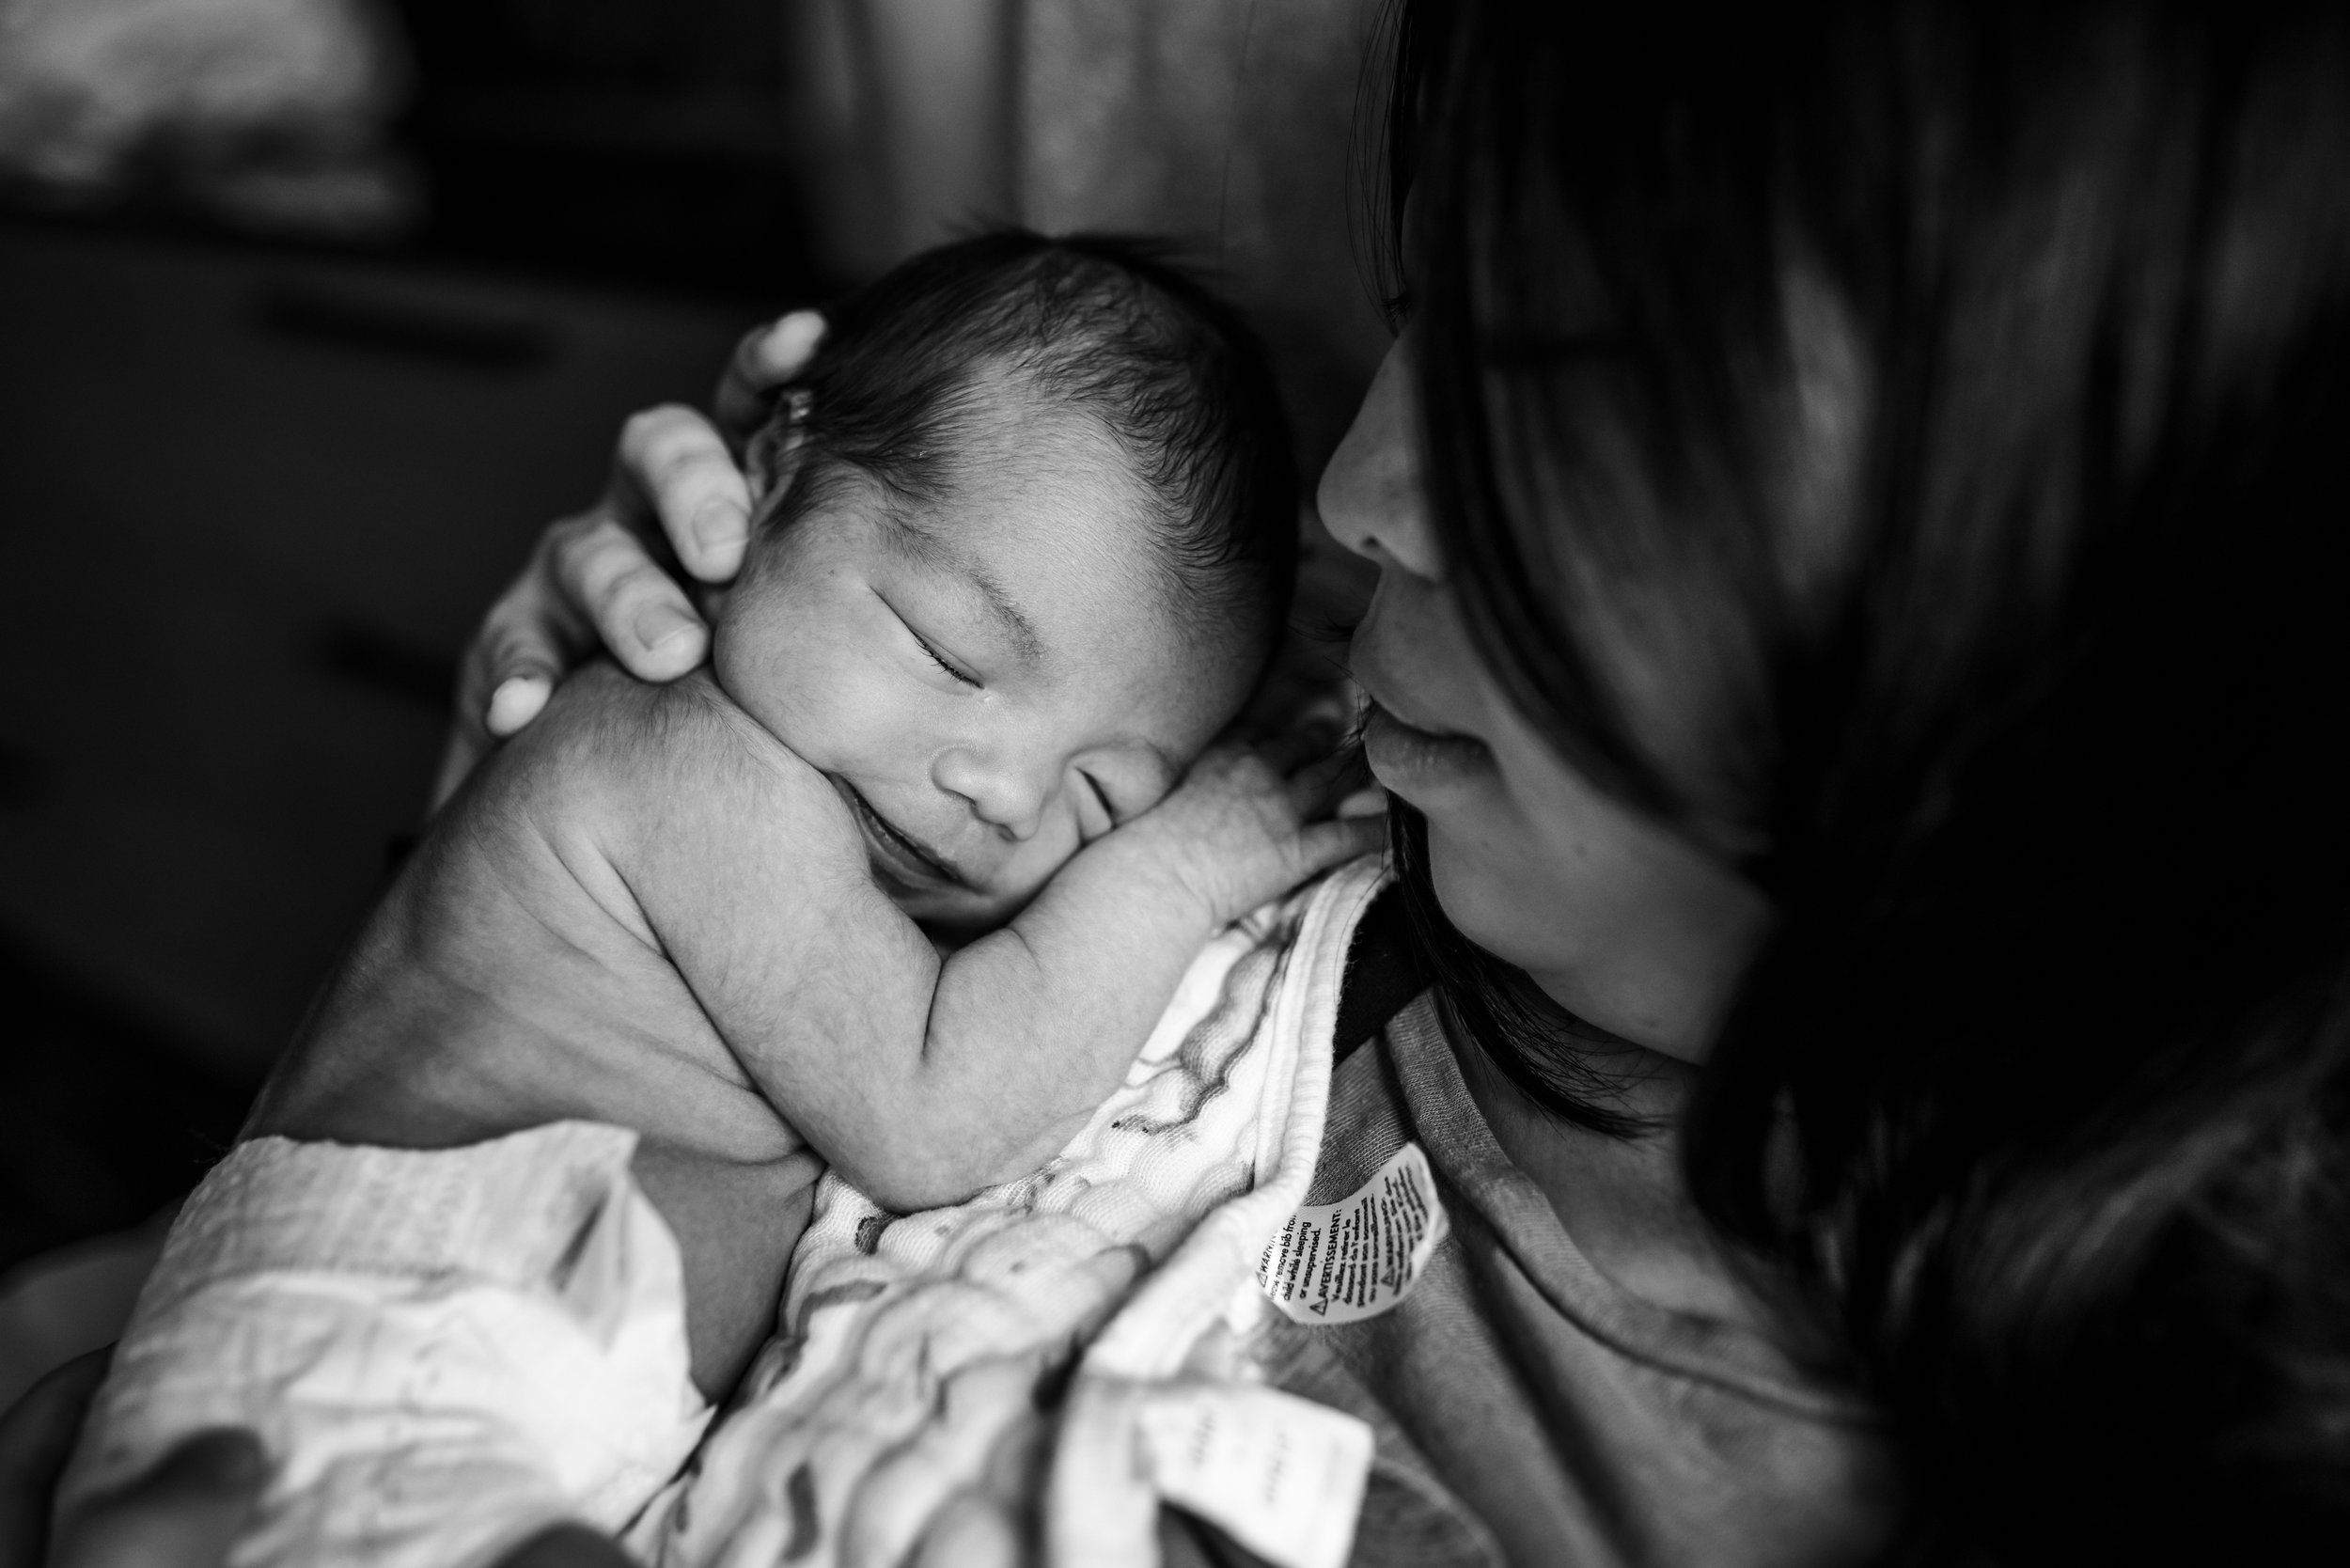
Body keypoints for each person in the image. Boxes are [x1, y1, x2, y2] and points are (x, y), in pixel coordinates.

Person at [12, 0, 2350, 1561]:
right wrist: (500, 833)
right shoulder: (1289, 825)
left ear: (2065, 629)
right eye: (1418, 316)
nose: (1358, 491)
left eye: (1558, 399)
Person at [52, 230, 1381, 1562]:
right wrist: (1182, 856)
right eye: (951, 652)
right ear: (773, 472)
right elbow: (931, 1111)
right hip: (391, 1346)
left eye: (1104, 795)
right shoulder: (690, 756)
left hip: (447, 1394)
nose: (1006, 793)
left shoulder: (820, 817)